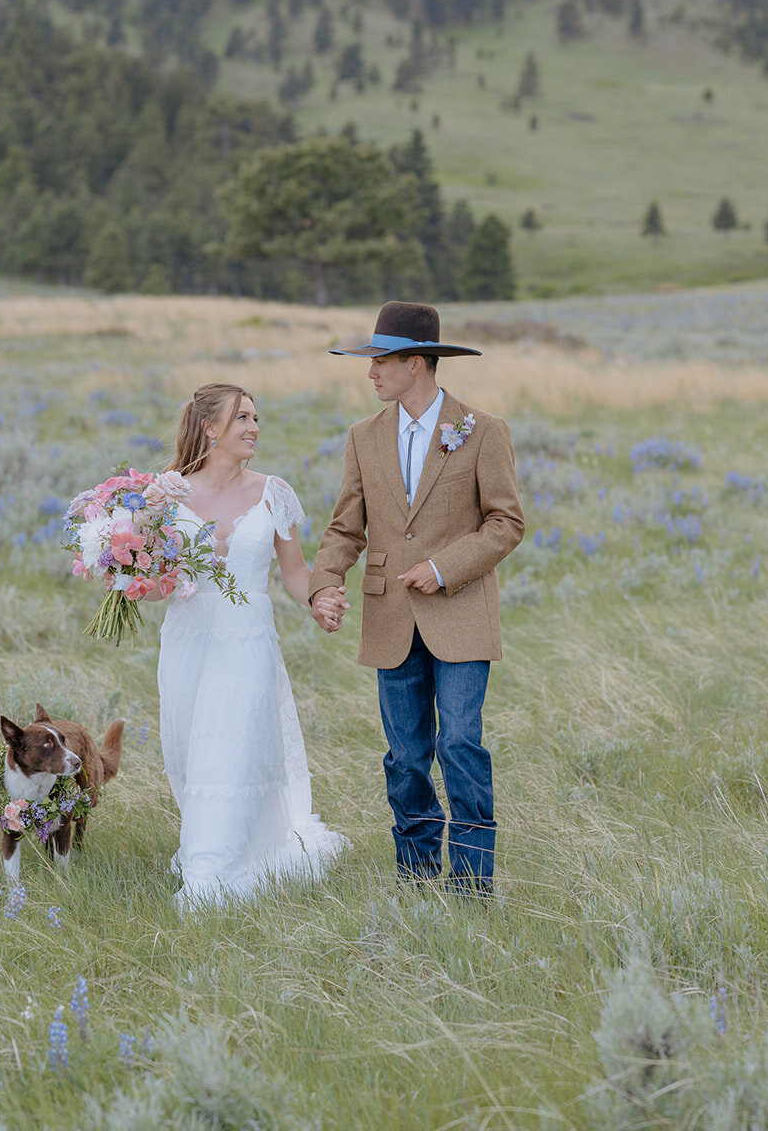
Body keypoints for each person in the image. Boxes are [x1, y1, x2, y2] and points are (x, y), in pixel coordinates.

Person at [310, 302, 524, 893]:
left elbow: (506, 522)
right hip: (389, 617)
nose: (371, 373)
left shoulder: (484, 431)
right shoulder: (363, 437)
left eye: (382, 361)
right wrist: (324, 583)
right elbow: (347, 527)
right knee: (406, 757)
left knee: (459, 743)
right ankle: (417, 875)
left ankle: (473, 882)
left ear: (418, 364)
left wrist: (442, 567)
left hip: (461, 614)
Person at [156, 382, 347, 911]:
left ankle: (209, 876)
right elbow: (153, 579)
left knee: (232, 750)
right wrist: (131, 574)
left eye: (256, 418)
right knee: (195, 755)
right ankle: (220, 848)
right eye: (242, 418)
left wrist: (320, 599)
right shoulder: (166, 494)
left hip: (248, 642)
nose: (254, 427)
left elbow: (293, 572)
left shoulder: (273, 492)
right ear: (209, 428)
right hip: (188, 640)